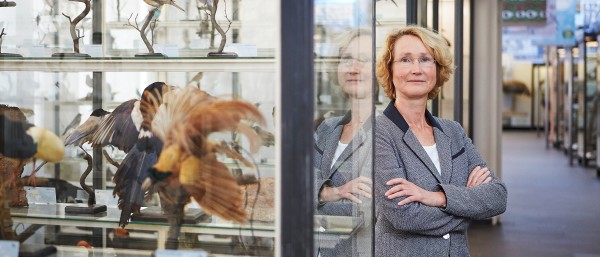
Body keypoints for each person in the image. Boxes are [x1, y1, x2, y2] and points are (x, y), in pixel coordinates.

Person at [374, 25, 507, 257]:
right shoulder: (378, 132)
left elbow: (497, 197)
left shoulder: (452, 132)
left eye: (425, 59)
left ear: (437, 70)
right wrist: (467, 203)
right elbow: (405, 216)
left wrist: (437, 197)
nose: (416, 69)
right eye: (405, 60)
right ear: (389, 69)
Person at [314, 28, 374, 257]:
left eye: (365, 60)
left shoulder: (387, 133)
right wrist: (332, 192)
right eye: (347, 59)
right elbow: (295, 187)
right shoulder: (327, 129)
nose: (353, 68)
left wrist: (316, 197)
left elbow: (362, 210)